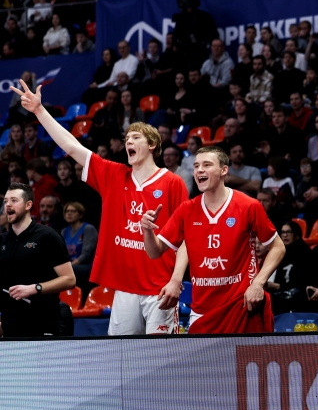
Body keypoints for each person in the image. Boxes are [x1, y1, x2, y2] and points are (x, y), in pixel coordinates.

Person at [12, 80, 190, 335]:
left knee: (160, 357)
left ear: (152, 145)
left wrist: (176, 280)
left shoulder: (173, 183)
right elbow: (71, 146)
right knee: (121, 357)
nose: (128, 141)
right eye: (127, 138)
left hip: (160, 286)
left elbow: (184, 238)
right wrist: (39, 111)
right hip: (124, 288)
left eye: (136, 137)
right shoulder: (113, 175)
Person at [141, 146, 285, 333]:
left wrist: (258, 283)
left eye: (207, 165)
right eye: (196, 166)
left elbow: (278, 247)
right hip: (201, 310)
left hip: (239, 304)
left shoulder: (248, 205)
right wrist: (147, 231)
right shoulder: (186, 210)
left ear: (224, 170)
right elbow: (154, 252)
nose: (199, 170)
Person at [0, 183, 76, 337]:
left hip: (43, 321)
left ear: (28, 205)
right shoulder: (2, 240)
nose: (8, 205)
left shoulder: (47, 237)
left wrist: (35, 288)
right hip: (10, 325)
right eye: (6, 201)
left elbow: (69, 279)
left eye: (14, 200)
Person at [271, 221, 312, 313]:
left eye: (288, 232)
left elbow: (303, 282)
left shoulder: (305, 253)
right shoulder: (281, 253)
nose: (285, 235)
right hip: (282, 295)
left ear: (297, 235)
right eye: (283, 232)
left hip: (300, 296)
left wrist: (278, 286)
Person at [61, 201, 97, 288]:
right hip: (70, 265)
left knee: (69, 270)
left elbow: (86, 255)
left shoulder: (88, 229)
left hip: (86, 266)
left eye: (73, 211)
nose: (69, 213)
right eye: (67, 211)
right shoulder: (64, 231)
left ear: (80, 215)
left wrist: (69, 266)